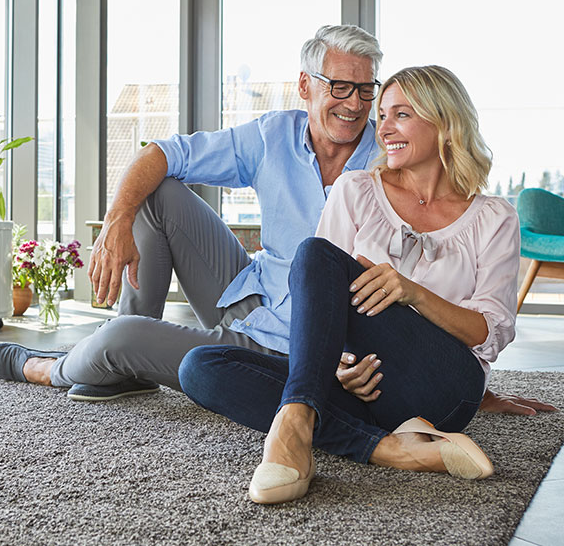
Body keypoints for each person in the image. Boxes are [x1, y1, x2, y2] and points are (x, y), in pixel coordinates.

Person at [0, 25, 553, 416]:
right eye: (340, 87)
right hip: (252, 300)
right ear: (306, 86)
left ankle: (60, 366)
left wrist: (455, 384)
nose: (356, 106)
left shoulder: (393, 157)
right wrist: (116, 220)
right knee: (160, 193)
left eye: (366, 91)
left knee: (123, 340)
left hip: (308, 344)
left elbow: (448, 305)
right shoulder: (273, 137)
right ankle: (126, 360)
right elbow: (165, 153)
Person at [179, 65, 523, 504]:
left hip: (443, 388)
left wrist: (412, 292)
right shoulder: (355, 189)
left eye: (401, 115)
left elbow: (489, 333)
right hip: (358, 386)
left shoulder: (494, 217)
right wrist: (339, 366)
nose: (384, 129)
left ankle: (295, 427)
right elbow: (320, 296)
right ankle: (386, 448)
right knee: (202, 367)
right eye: (383, 116)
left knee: (314, 254)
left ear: (445, 122)